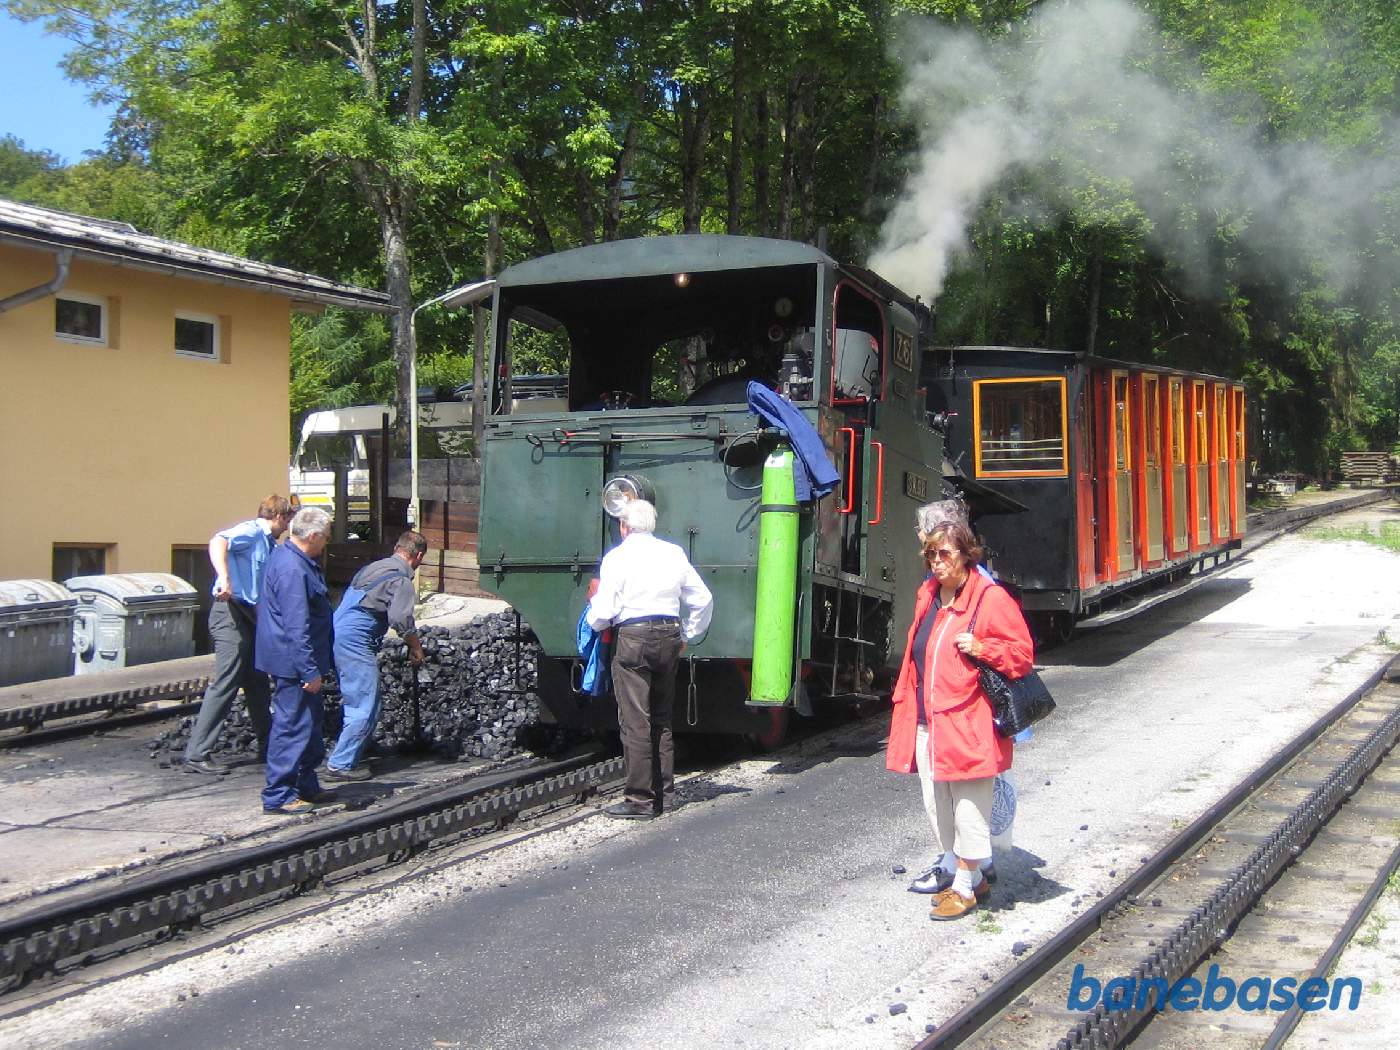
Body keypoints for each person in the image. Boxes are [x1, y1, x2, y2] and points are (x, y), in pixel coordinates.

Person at [886, 518, 1033, 919]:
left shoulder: (990, 599)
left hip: (969, 719)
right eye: (930, 554)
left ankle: (965, 888)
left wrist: (983, 646)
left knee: (969, 803)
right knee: (939, 804)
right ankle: (970, 875)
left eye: (945, 554)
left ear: (967, 555)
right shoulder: (930, 594)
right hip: (928, 718)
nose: (936, 562)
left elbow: (1021, 656)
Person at [587, 499, 713, 819]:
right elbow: (703, 599)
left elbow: (603, 613)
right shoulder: (673, 553)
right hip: (669, 634)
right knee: (661, 719)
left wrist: (592, 624)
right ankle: (665, 796)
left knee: (635, 721)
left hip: (633, 638)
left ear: (624, 526)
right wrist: (688, 635)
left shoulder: (617, 557)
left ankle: (639, 800)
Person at [182, 495, 294, 775]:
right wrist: (225, 578)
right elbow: (218, 540)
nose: (288, 527)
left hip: (248, 617)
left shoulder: (269, 544)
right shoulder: (252, 532)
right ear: (280, 517)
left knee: (256, 680)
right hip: (229, 613)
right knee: (227, 680)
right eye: (288, 521)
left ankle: (269, 745)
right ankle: (197, 754)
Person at [325, 531, 428, 781]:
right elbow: (401, 620)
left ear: (397, 548)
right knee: (365, 702)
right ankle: (341, 763)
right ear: (419, 556)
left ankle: (354, 750)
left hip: (335, 630)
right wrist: (416, 647)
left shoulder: (372, 568)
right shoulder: (401, 580)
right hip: (355, 640)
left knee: (357, 696)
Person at [256, 507, 336, 815]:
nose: (327, 543)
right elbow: (296, 625)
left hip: (301, 660)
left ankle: (305, 784)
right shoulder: (293, 569)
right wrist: (309, 669)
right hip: (294, 664)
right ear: (313, 536)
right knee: (292, 726)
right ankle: (279, 794)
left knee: (309, 725)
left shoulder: (297, 561)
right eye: (326, 537)